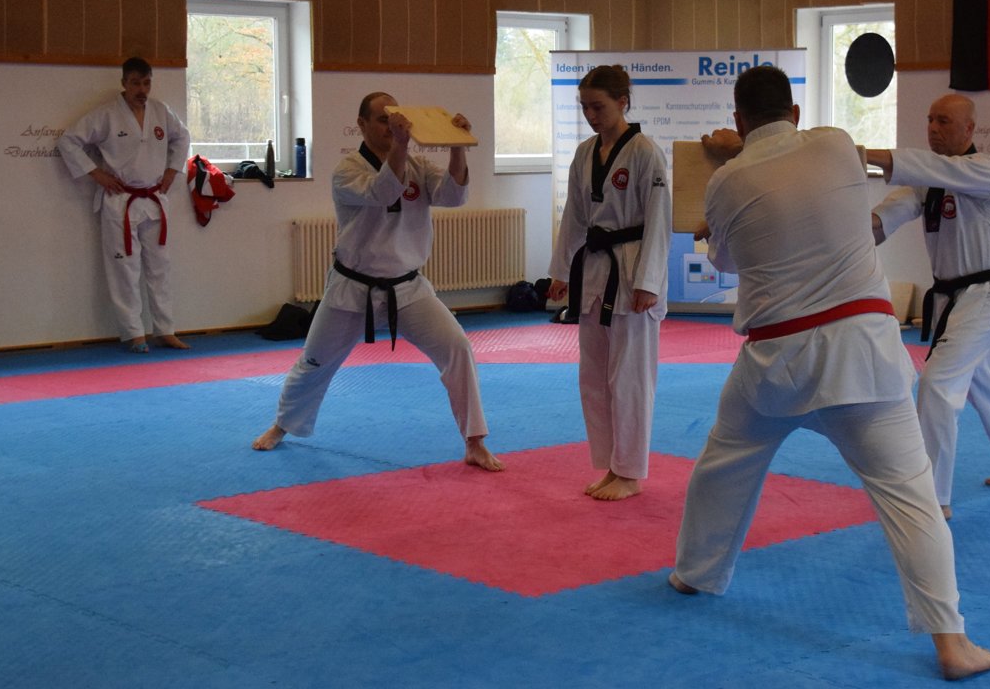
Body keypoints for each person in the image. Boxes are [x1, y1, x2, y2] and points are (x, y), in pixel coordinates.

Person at [669, 66, 990, 682]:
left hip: (772, 364)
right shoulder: (837, 145)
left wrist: (721, 210)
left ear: (738, 119)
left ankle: (695, 572)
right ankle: (952, 643)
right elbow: (792, 168)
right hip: (862, 358)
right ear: (795, 113)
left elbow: (729, 260)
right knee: (912, 495)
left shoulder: (725, 182)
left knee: (723, 463)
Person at [251, 92, 502, 472]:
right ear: (362, 124)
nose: (391, 126)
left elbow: (453, 197)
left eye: (394, 118)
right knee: (315, 361)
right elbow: (382, 191)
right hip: (352, 288)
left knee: (458, 348)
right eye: (382, 119)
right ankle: (283, 424)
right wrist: (401, 145)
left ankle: (475, 441)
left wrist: (457, 147)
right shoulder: (347, 170)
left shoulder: (417, 165)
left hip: (408, 288)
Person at [865, 93, 990, 521]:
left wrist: (862, 154)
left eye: (944, 121)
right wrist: (839, 232)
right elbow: (885, 218)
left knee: (937, 385)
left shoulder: (986, 171)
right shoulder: (927, 183)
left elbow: (936, 169)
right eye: (930, 119)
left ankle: (933, 496)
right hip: (953, 299)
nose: (933, 128)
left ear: (969, 129)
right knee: (986, 384)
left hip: (986, 294)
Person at [548, 65, 671, 501]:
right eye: (584, 107)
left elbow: (659, 221)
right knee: (594, 377)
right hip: (595, 271)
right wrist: (560, 270)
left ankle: (631, 472)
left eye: (598, 106)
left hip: (632, 270)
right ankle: (611, 465)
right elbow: (574, 216)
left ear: (623, 102)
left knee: (631, 377)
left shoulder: (645, 153)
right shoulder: (584, 153)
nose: (590, 115)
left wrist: (649, 281)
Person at [57, 56, 191, 354]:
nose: (142, 89)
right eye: (135, 83)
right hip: (121, 202)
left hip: (154, 200)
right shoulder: (106, 115)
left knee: (160, 269)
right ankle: (134, 333)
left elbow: (183, 137)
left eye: (146, 83)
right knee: (125, 271)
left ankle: (165, 330)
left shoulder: (161, 111)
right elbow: (68, 141)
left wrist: (172, 171)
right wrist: (97, 174)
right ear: (124, 83)